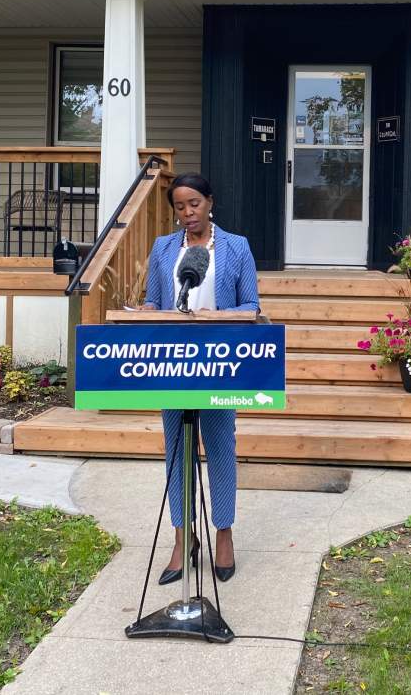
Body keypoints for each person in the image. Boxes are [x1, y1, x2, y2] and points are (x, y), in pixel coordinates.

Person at [138, 173, 260, 582]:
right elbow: (154, 300)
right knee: (177, 451)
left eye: (194, 203)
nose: (188, 213)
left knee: (221, 447)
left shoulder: (236, 247)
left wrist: (220, 318)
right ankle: (182, 537)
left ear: (210, 201)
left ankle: (222, 533)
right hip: (172, 364)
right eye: (180, 206)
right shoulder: (163, 249)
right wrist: (146, 312)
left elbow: (251, 305)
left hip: (219, 364)